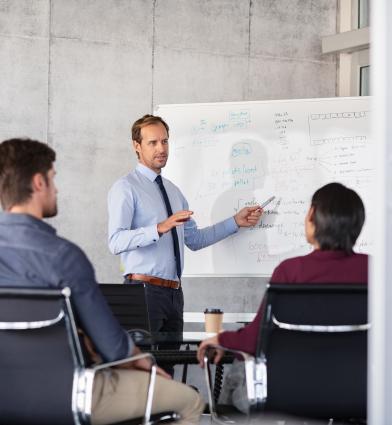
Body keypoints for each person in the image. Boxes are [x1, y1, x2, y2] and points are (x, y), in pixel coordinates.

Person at [0, 138, 204, 425]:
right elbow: (114, 346)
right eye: (52, 179)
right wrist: (143, 362)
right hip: (70, 394)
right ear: (38, 183)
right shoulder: (65, 257)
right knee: (189, 401)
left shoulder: (173, 190)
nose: (56, 188)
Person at [197, 182, 368, 410]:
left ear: (312, 217)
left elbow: (254, 340)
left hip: (292, 393)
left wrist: (219, 339)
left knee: (237, 378)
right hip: (361, 392)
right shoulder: (376, 271)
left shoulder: (290, 271)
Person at [107, 114, 263, 338]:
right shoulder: (125, 188)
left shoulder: (174, 192)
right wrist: (159, 228)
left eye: (165, 141)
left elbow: (195, 240)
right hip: (142, 293)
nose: (161, 148)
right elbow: (115, 242)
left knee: (171, 366)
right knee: (142, 366)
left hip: (174, 294)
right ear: (137, 146)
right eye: (153, 143)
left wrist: (235, 222)